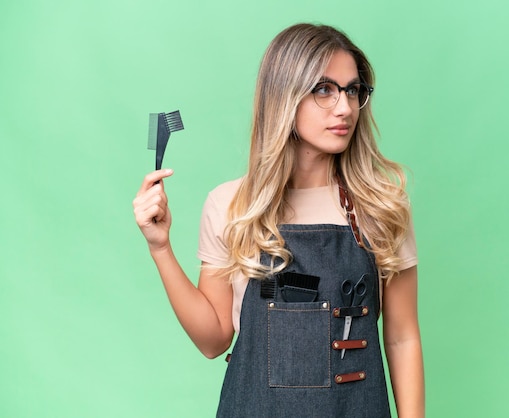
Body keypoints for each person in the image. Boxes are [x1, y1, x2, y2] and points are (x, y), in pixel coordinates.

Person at [133, 23, 424, 418]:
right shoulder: (232, 204)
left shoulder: (381, 206)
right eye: (324, 89)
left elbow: (402, 338)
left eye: (352, 90)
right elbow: (213, 340)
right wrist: (160, 247)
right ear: (283, 98)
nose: (344, 107)